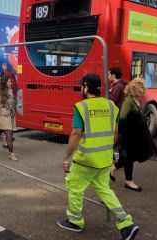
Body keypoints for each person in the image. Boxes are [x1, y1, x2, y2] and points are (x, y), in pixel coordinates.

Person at [58, 74, 139, 240]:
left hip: (86, 159)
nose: (81, 88)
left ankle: (75, 221)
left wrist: (66, 157)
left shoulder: (82, 107)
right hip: (105, 158)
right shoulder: (111, 106)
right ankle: (126, 223)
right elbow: (116, 132)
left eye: (82, 86)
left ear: (86, 88)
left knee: (74, 186)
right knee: (104, 190)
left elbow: (75, 134)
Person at [110, 78, 157, 191]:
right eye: (138, 88)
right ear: (132, 89)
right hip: (127, 135)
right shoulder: (129, 100)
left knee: (124, 157)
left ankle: (112, 168)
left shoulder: (138, 100)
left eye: (142, 87)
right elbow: (122, 117)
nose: (140, 90)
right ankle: (129, 182)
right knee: (129, 158)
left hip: (133, 134)